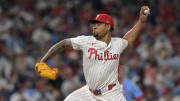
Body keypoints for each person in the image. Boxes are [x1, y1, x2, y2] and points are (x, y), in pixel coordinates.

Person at [35, 6, 150, 101]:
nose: (94, 26)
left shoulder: (117, 43)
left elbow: (128, 40)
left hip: (112, 94)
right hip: (88, 93)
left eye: (98, 24)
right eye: (94, 23)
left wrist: (140, 21)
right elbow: (64, 43)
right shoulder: (86, 41)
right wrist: (43, 61)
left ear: (108, 26)